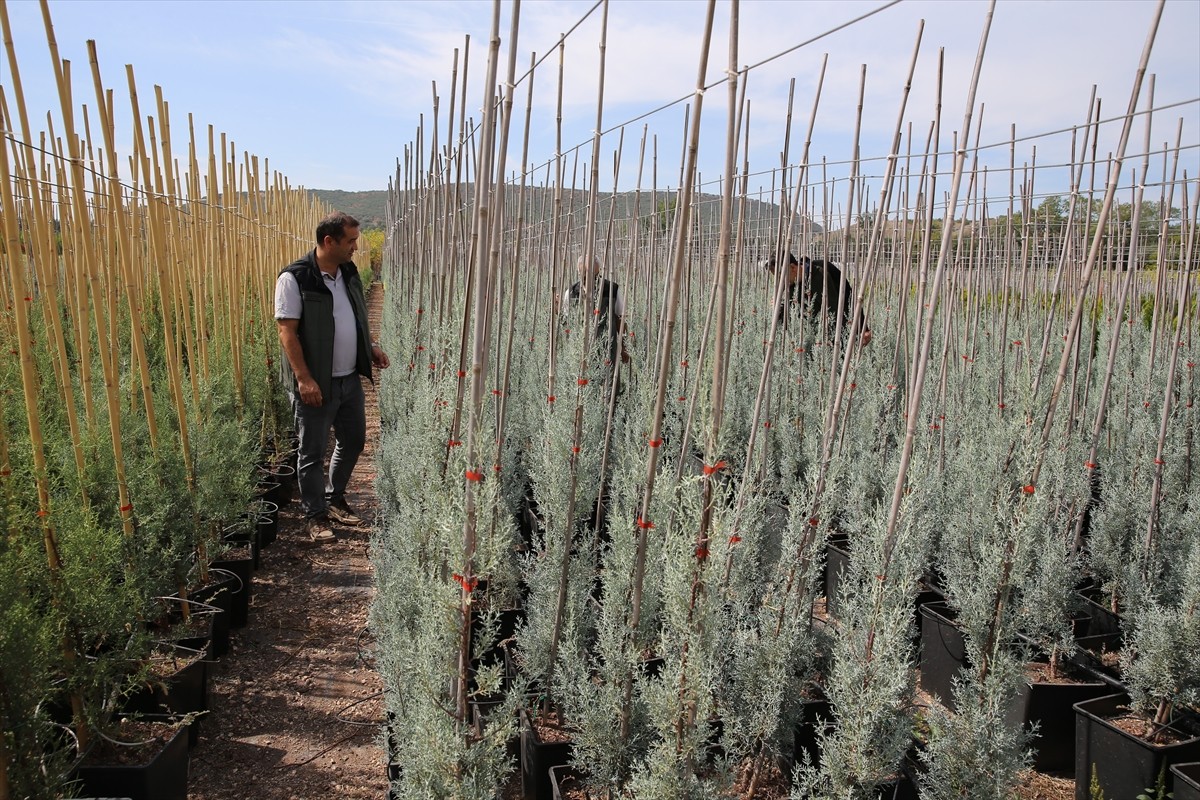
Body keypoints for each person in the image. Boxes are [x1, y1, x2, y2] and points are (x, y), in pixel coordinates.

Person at [275, 212, 390, 542]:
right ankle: (315, 515)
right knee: (311, 451)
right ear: (330, 241)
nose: (356, 246)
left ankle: (333, 496)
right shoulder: (296, 278)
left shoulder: (348, 273)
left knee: (353, 440)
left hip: (348, 378)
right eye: (351, 240)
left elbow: (353, 318)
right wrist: (304, 379)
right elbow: (287, 332)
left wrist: (370, 347)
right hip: (316, 383)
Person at [764, 251, 872, 346]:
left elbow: (849, 296)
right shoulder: (788, 285)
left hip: (838, 336)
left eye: (780, 276)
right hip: (809, 342)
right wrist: (777, 309)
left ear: (792, 267)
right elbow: (787, 318)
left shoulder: (823, 270)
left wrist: (863, 327)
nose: (779, 280)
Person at [562, 254, 630, 367]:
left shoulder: (612, 290)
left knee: (609, 382)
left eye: (594, 275)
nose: (589, 279)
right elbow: (567, 323)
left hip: (607, 351)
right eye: (585, 275)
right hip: (581, 354)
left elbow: (620, 319)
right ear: (579, 272)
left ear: (598, 272)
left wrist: (624, 348)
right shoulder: (571, 293)